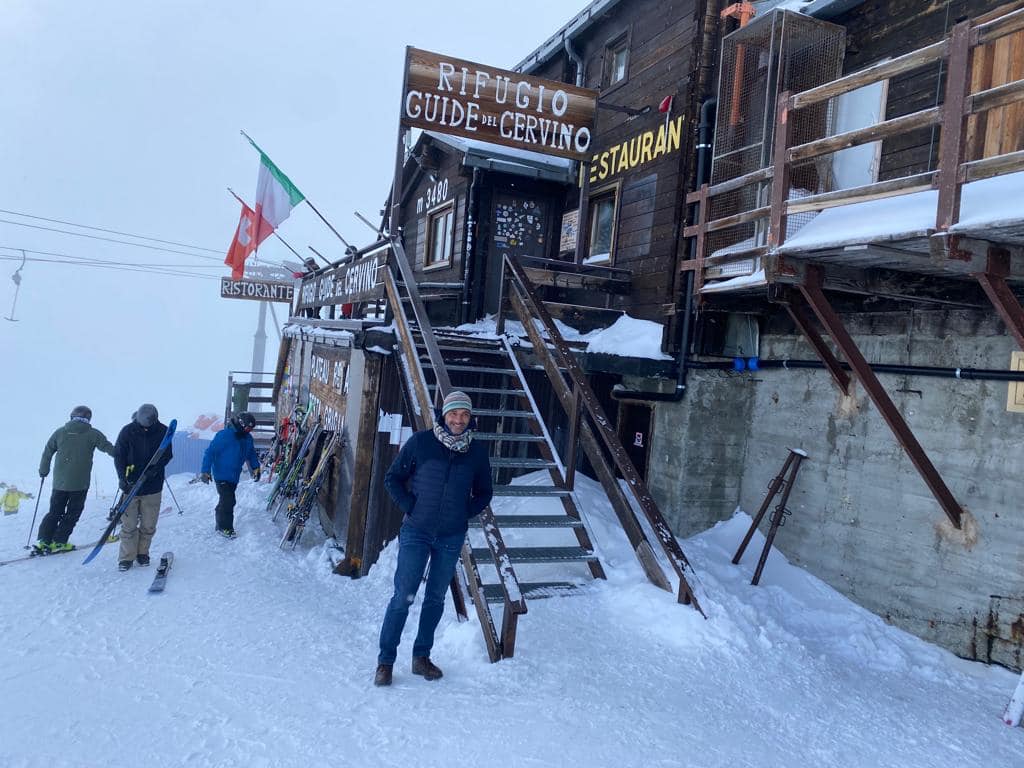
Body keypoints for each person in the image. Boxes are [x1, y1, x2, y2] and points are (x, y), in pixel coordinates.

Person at [374, 391, 492, 687]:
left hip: (450, 536)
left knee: (435, 598)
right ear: (444, 415)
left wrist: (464, 512)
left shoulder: (476, 452)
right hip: (417, 530)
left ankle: (421, 657)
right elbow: (393, 478)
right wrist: (410, 506)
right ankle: (385, 661)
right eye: (454, 414)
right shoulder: (422, 443)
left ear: (470, 418)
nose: (458, 420)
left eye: (464, 415)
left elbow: (485, 492)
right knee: (403, 596)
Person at [36, 405, 116, 553]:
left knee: (54, 511)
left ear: (72, 416)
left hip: (60, 482)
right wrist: (125, 456)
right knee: (72, 513)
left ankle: (43, 540)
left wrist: (43, 470)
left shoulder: (60, 432)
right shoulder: (93, 434)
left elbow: (47, 452)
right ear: (88, 419)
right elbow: (108, 448)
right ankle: (59, 542)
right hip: (80, 483)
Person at [113, 404, 172, 571]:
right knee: (129, 524)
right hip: (131, 486)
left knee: (148, 524)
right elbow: (119, 455)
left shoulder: (163, 431)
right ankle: (126, 558)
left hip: (153, 487)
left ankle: (142, 553)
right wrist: (122, 478)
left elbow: (167, 454)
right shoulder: (127, 431)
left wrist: (156, 469)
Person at [200, 412, 260, 538]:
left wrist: (256, 468)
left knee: (225, 500)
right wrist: (205, 471)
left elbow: (251, 454)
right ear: (241, 424)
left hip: (234, 476)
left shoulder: (247, 438)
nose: (249, 431)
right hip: (221, 474)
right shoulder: (224, 435)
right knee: (229, 500)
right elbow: (210, 452)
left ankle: (219, 518)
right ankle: (225, 527)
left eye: (251, 429)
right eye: (247, 428)